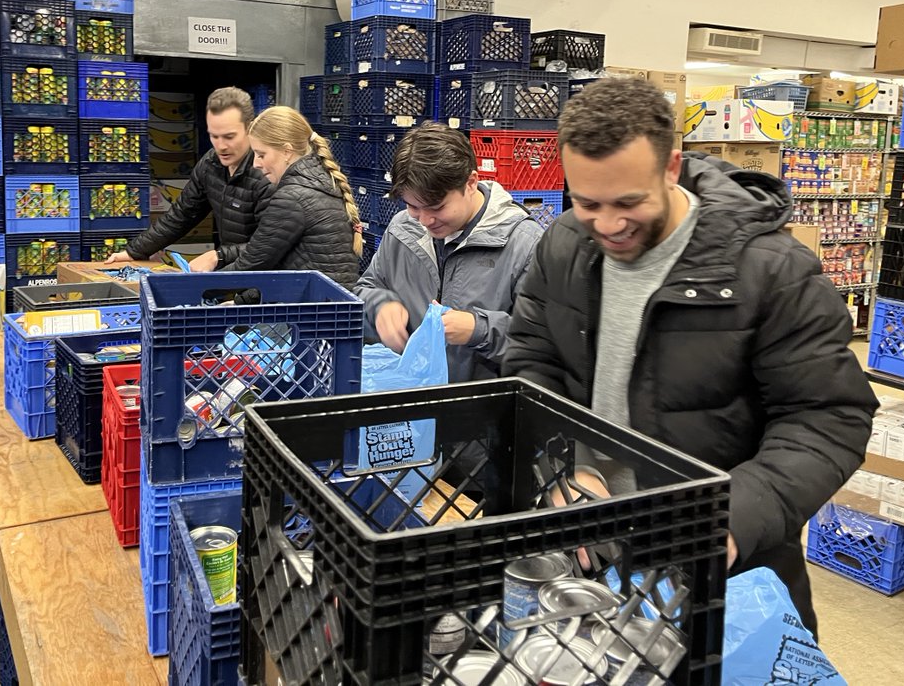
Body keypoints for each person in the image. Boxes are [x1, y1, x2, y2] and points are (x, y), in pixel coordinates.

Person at [503, 77, 876, 636]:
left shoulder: (770, 270)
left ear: (672, 167)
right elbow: (532, 362)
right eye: (587, 203)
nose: (607, 224)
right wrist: (559, 470)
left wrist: (731, 517)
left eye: (629, 203)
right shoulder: (563, 244)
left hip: (719, 578)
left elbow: (828, 417)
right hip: (586, 558)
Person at [357, 122, 543, 381]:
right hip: (410, 396)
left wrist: (479, 330)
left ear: (470, 183)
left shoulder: (524, 245)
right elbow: (365, 287)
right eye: (413, 206)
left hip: (479, 408)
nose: (424, 220)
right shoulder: (402, 229)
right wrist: (380, 307)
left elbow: (541, 344)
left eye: (436, 207)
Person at [188, 106, 361, 289]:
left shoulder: (293, 197)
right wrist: (242, 299)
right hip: (328, 305)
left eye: (261, 155)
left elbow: (252, 264)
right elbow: (278, 256)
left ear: (287, 151)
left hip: (312, 311)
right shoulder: (321, 182)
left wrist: (194, 288)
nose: (256, 164)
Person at [107, 87, 273, 270]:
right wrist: (134, 251)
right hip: (238, 274)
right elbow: (182, 214)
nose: (221, 146)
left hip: (269, 278)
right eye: (214, 136)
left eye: (229, 136)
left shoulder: (267, 174)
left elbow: (271, 243)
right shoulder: (211, 165)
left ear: (250, 128)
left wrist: (217, 257)